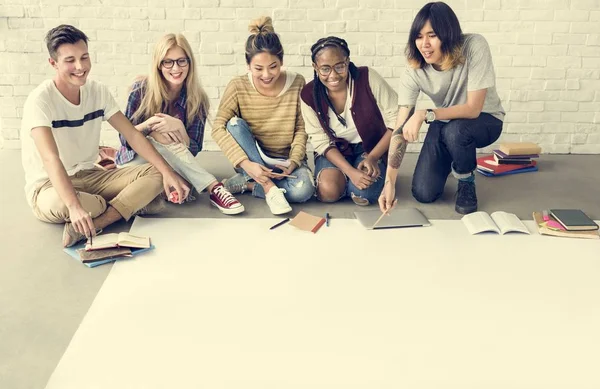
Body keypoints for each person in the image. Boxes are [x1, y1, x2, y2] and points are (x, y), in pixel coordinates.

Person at [21, 25, 190, 247]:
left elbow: (131, 134)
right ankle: (119, 205)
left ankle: (101, 219)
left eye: (84, 57)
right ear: (53, 63)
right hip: (48, 186)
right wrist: (73, 206)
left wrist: (168, 173)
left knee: (158, 173)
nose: (80, 67)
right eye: (70, 60)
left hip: (91, 175)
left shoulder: (97, 91)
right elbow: (50, 158)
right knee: (65, 204)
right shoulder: (40, 100)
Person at [380, 1, 505, 215]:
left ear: (448, 34)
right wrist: (389, 181)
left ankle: (466, 179)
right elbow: (400, 127)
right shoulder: (414, 70)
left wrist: (425, 114)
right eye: (419, 36)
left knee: (456, 131)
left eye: (432, 35)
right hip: (445, 122)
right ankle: (453, 156)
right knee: (423, 193)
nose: (424, 44)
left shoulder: (474, 46)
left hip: (485, 120)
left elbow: (473, 109)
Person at [115, 33, 244, 215]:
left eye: (181, 61)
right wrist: (150, 124)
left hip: (172, 162)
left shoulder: (197, 99)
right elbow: (124, 139)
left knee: (180, 187)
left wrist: (180, 127)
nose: (176, 68)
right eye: (168, 62)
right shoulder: (141, 90)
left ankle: (162, 187)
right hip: (135, 162)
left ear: (190, 63)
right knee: (158, 131)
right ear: (159, 65)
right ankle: (214, 187)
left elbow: (193, 150)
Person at [211, 16, 315, 215]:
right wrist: (247, 164)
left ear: (282, 61)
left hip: (284, 161)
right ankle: (267, 186)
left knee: (304, 190)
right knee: (233, 124)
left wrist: (293, 161)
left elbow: (302, 128)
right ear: (248, 65)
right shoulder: (237, 86)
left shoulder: (297, 83)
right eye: (259, 68)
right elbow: (218, 128)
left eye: (273, 66)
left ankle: (248, 185)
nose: (267, 75)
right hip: (253, 159)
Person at [300, 36, 398, 205]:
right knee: (328, 192)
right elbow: (320, 140)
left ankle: (357, 179)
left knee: (364, 194)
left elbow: (397, 118)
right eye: (325, 69)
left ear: (347, 61)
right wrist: (350, 172)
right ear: (315, 68)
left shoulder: (367, 77)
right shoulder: (308, 94)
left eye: (340, 66)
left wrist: (373, 157)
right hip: (334, 150)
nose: (333, 75)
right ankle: (344, 179)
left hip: (369, 148)